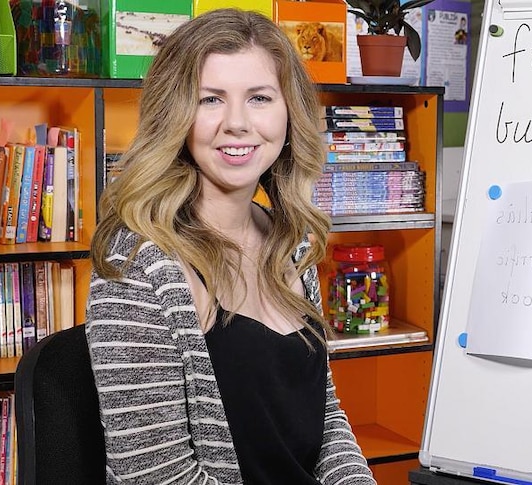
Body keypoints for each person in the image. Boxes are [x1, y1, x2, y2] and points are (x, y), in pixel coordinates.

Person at [85, 8, 377, 485]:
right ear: (174, 114)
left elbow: (324, 420)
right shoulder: (139, 264)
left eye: (260, 97)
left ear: (289, 113)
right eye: (210, 100)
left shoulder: (291, 241)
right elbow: (156, 477)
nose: (237, 123)